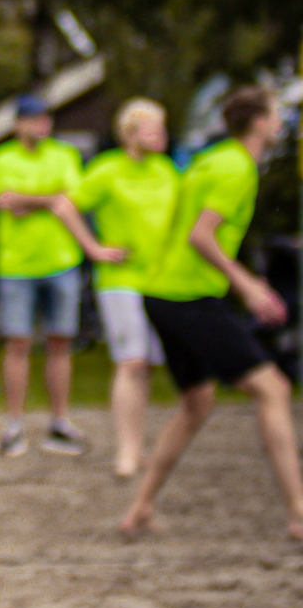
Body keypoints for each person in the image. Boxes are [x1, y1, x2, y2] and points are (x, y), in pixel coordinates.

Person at [120, 84, 303, 542]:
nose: (280, 122)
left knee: (197, 404)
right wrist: (250, 285)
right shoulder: (237, 167)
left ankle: (140, 508)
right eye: (275, 115)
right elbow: (201, 237)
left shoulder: (213, 157)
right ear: (259, 123)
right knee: (274, 389)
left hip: (162, 294)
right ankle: (299, 513)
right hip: (187, 299)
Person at [0, 95, 122, 456]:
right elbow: (8, 201)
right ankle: (14, 424)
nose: (40, 125)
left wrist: (30, 200)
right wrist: (50, 200)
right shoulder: (1, 157)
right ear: (18, 124)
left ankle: (59, 423)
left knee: (61, 342)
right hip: (16, 266)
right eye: (33, 119)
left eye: (45, 119)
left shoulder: (65, 155)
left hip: (61, 262)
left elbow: (69, 201)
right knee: (18, 343)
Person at [77, 98, 180, 481]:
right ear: (131, 133)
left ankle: (137, 448)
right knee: (130, 362)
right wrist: (94, 248)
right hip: (121, 281)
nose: (163, 136)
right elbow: (67, 206)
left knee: (148, 366)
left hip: (159, 281)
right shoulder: (106, 170)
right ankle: (125, 451)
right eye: (155, 128)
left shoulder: (168, 170)